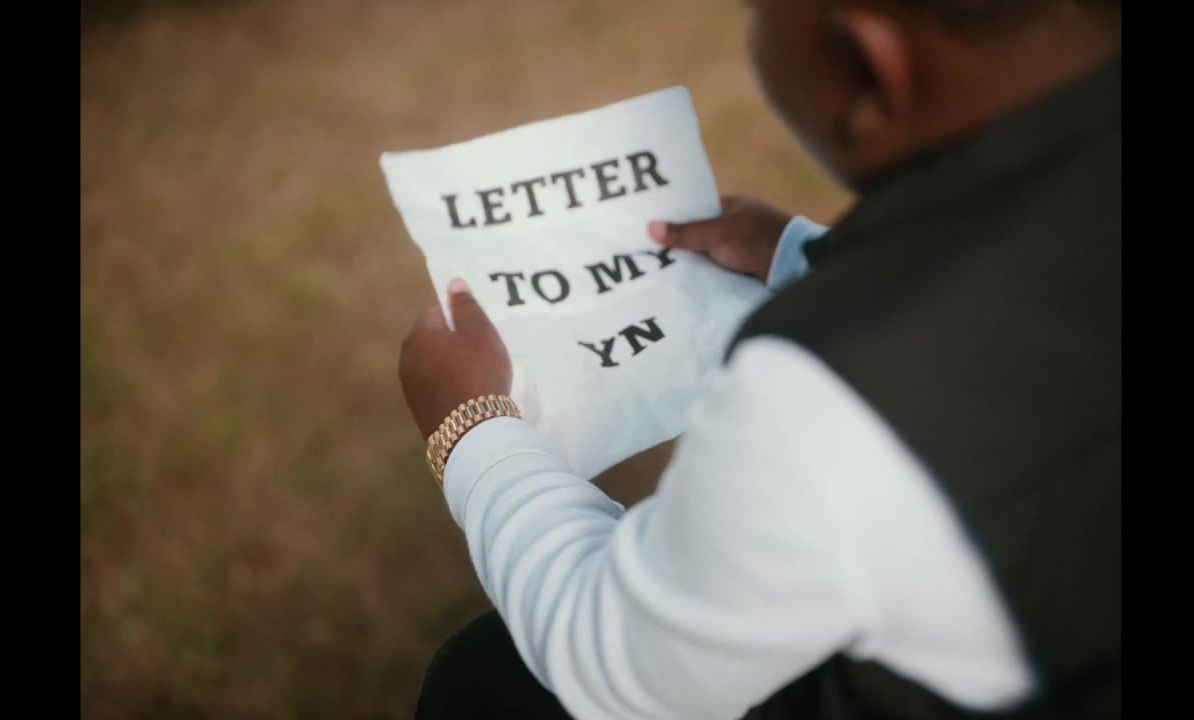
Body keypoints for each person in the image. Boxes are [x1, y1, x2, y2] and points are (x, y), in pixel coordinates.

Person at [399, 0, 1121, 717]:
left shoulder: (837, 390)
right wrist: (804, 254)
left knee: (484, 684)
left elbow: (612, 659)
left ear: (866, 68)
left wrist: (473, 431)